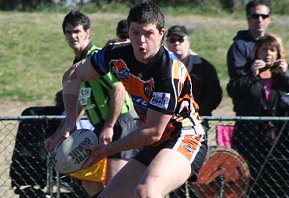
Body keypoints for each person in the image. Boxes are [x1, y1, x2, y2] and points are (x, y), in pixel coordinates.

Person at [59, 2, 208, 198]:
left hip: (185, 135)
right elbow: (73, 75)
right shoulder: (115, 53)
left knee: (147, 191)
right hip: (156, 143)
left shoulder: (169, 72)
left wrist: (104, 150)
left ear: (161, 33)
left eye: (148, 34)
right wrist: (70, 120)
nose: (141, 41)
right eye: (135, 33)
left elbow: (153, 132)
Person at [44, 10, 138, 198]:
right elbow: (81, 102)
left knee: (115, 183)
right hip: (99, 126)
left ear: (88, 33)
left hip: (120, 124)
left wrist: (110, 126)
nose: (73, 36)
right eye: (69, 32)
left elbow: (119, 89)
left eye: (77, 31)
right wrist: (60, 133)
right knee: (88, 180)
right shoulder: (78, 62)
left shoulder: (97, 58)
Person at [227, 34, 289, 197]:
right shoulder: (245, 71)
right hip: (251, 139)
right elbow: (233, 90)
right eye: (264, 49)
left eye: (272, 50)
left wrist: (286, 73)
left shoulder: (287, 73)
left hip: (281, 141)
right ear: (256, 53)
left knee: (283, 186)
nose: (268, 53)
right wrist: (252, 75)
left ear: (279, 54)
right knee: (252, 184)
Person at [166, 25, 222, 116]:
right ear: (167, 43)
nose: (176, 43)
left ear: (188, 42)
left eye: (180, 40)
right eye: (172, 40)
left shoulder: (204, 67)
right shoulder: (161, 66)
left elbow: (214, 95)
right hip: (167, 120)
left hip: (197, 120)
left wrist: (199, 113)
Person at [227, 0, 272, 79]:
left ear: (269, 19)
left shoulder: (273, 43)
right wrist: (252, 72)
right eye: (255, 16)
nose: (260, 20)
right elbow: (236, 82)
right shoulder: (239, 46)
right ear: (248, 19)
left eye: (264, 16)